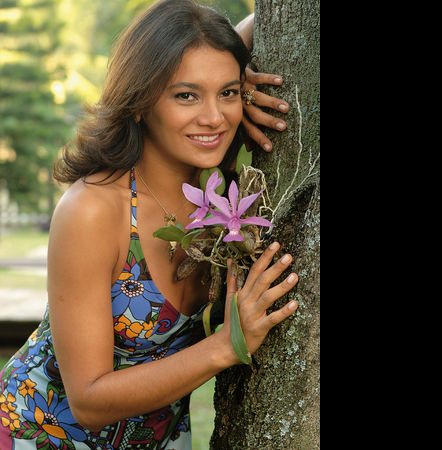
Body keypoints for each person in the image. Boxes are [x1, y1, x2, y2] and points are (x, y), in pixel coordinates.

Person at [0, 0, 299, 448]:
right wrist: (226, 344)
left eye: (228, 93)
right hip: (41, 436)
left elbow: (229, 43)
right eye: (186, 95)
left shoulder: (217, 191)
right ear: (140, 102)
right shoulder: (94, 209)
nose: (214, 117)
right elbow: (89, 398)